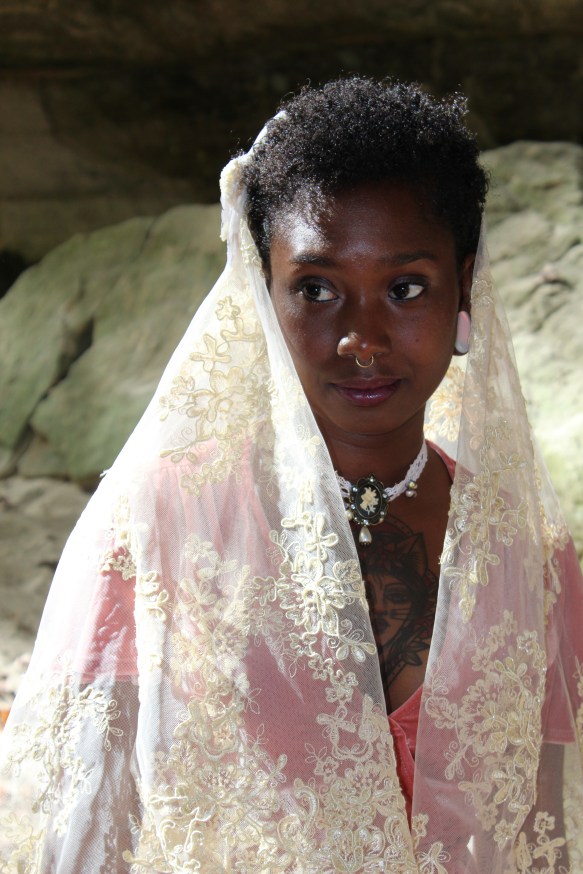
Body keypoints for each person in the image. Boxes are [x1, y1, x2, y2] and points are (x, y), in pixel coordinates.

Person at [1, 77, 582, 873]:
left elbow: (548, 832)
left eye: (405, 288)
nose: (360, 338)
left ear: (464, 291)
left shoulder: (530, 554)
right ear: (262, 296)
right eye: (315, 289)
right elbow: (85, 825)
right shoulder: (159, 522)